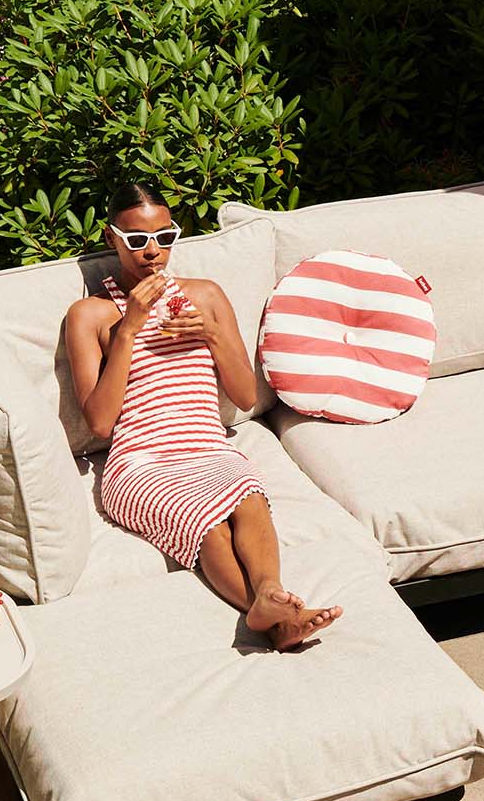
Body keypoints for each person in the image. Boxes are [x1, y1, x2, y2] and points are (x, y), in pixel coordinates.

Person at [66, 183, 341, 649]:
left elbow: (244, 395)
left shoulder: (206, 296)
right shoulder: (89, 316)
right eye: (136, 240)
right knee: (207, 519)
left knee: (248, 497)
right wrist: (129, 327)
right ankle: (275, 622)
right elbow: (100, 424)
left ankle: (271, 595)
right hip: (140, 461)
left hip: (207, 445)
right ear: (111, 238)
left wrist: (213, 334)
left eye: (164, 237)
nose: (152, 252)